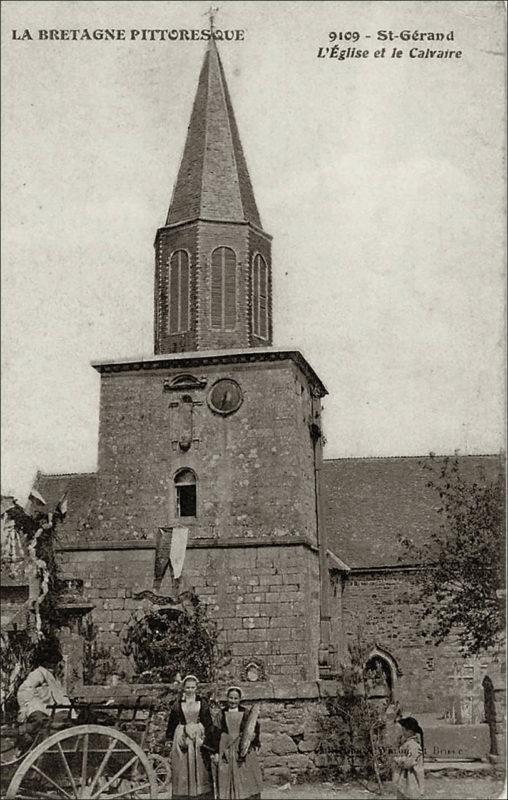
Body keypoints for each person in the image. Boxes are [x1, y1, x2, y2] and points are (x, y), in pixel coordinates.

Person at [166, 674, 216, 800]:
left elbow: (208, 721)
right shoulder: (178, 704)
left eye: (192, 687)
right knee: (182, 766)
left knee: (200, 764)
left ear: (196, 688)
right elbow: (172, 722)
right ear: (183, 688)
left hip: (198, 734)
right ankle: (184, 793)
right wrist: (169, 737)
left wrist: (209, 740)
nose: (190, 690)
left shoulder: (202, 702)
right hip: (182, 735)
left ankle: (201, 794)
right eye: (187, 687)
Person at [16, 643, 74, 752]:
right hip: (40, 708)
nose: (55, 666)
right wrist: (27, 706)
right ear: (47, 663)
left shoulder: (51, 676)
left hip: (52, 709)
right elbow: (24, 690)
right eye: (53, 664)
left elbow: (57, 695)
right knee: (43, 720)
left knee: (64, 716)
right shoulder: (38, 674)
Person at [215, 685, 262, 800]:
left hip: (241, 747)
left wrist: (255, 742)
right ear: (227, 698)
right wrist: (216, 752)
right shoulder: (221, 714)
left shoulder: (246, 713)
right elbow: (215, 733)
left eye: (236, 698)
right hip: (226, 748)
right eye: (231, 698)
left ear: (240, 699)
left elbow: (253, 728)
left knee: (246, 774)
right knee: (226, 775)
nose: (233, 701)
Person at [392, 716, 425, 799]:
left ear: (410, 732)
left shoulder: (413, 745)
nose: (402, 732)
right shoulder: (407, 743)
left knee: (410, 796)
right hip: (404, 779)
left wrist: (397, 759)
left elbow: (409, 762)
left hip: (411, 779)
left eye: (403, 730)